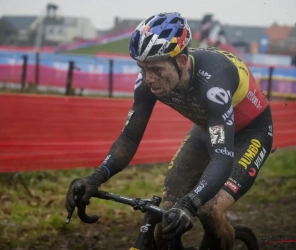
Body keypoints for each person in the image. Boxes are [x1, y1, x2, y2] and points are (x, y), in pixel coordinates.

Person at [65, 12, 273, 249]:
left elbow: (222, 156)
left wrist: (191, 204)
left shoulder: (214, 82)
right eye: (142, 68)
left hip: (250, 134)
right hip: (207, 129)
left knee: (210, 211)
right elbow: (130, 137)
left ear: (182, 62)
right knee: (166, 218)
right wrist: (95, 178)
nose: (149, 78)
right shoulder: (148, 80)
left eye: (156, 69)